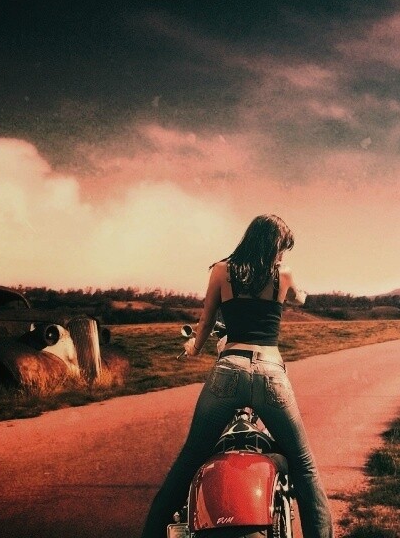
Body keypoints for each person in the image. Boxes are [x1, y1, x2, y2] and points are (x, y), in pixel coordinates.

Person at [141, 214, 333, 538]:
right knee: (304, 465)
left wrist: (194, 348)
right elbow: (299, 298)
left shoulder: (221, 271)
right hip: (271, 373)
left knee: (189, 460)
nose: (281, 256)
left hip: (229, 369)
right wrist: (301, 294)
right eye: (281, 249)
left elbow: (205, 322)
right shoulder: (283, 275)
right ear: (273, 247)